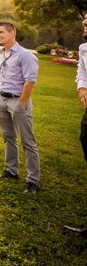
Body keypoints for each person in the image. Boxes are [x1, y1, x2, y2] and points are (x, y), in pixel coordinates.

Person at [0, 20, 41, 194]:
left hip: (18, 101)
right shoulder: (0, 53)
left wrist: (21, 104)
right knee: (8, 136)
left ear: (12, 33)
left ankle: (33, 181)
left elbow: (30, 81)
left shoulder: (25, 55)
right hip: (1, 100)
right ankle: (11, 170)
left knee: (28, 141)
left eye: (1, 32)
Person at [64, 13, 87, 235]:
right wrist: (81, 87)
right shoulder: (84, 48)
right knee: (84, 136)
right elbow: (82, 70)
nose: (85, 22)